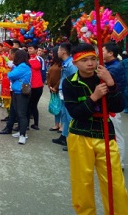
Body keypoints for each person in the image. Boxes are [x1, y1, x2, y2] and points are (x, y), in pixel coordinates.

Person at [63, 43, 128, 214]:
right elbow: (76, 113)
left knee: (115, 183)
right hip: (80, 135)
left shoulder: (104, 78)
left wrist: (111, 83)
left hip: (105, 134)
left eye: (93, 59)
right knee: (82, 183)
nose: (90, 63)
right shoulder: (70, 83)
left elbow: (118, 106)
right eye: (84, 60)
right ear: (75, 63)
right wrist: (94, 97)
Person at [102, 42, 127, 170]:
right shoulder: (111, 65)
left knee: (116, 135)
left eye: (103, 50)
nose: (101, 52)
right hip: (110, 105)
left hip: (113, 106)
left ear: (111, 53)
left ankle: (119, 162)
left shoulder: (114, 68)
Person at [53, 42, 77, 151]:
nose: (57, 52)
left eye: (58, 50)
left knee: (69, 117)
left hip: (69, 95)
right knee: (64, 116)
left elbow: (75, 81)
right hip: (64, 94)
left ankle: (72, 141)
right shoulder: (65, 63)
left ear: (63, 51)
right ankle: (64, 137)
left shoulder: (71, 64)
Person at [6, 50, 32, 145]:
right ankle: (21, 131)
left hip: (21, 92)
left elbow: (10, 75)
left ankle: (23, 135)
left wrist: (12, 75)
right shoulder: (20, 66)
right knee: (18, 112)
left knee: (21, 114)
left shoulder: (23, 67)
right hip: (17, 91)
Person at [27, 44, 44, 130]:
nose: (29, 50)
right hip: (32, 85)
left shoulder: (38, 59)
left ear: (36, 49)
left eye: (31, 48)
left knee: (32, 105)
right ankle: (31, 124)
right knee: (31, 105)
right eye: (28, 48)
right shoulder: (29, 58)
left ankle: (31, 124)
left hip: (36, 86)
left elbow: (40, 68)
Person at [46, 46, 62, 131]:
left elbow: (62, 77)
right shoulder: (53, 63)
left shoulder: (62, 64)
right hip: (52, 89)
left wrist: (56, 87)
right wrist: (49, 85)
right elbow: (48, 75)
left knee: (61, 108)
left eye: (52, 53)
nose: (51, 54)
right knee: (56, 106)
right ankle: (56, 124)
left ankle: (62, 125)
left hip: (59, 89)